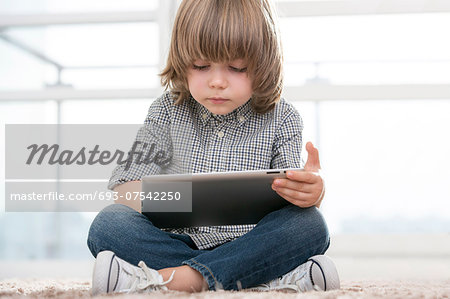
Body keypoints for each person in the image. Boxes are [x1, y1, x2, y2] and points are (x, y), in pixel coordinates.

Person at [87, 0, 340, 295]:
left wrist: (312, 192)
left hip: (250, 242)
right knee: (109, 224)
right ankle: (256, 279)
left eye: (236, 67)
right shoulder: (166, 112)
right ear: (183, 62)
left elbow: (290, 205)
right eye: (201, 66)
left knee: (310, 224)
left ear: (263, 65)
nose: (217, 81)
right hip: (180, 242)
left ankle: (168, 280)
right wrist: (182, 201)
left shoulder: (283, 117)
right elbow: (124, 193)